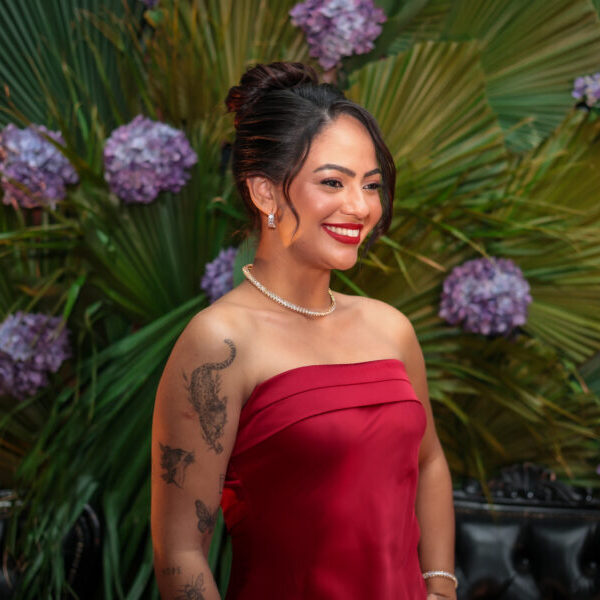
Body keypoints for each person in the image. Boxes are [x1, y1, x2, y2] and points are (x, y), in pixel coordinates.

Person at [151, 61, 456, 600]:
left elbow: (428, 461)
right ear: (265, 193)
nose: (360, 207)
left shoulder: (390, 328)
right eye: (333, 182)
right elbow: (180, 552)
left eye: (371, 185)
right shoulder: (219, 341)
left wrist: (440, 585)